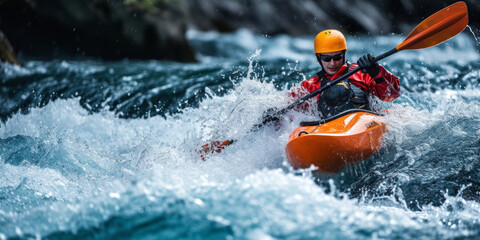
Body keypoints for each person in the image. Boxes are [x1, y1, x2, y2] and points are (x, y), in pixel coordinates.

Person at [292, 29, 400, 117]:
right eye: (326, 58)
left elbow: (391, 95)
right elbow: (289, 113)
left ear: (344, 54)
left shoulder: (362, 73)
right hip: (329, 131)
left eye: (337, 57)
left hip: (364, 125)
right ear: (318, 57)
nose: (332, 63)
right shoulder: (310, 86)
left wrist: (377, 72)